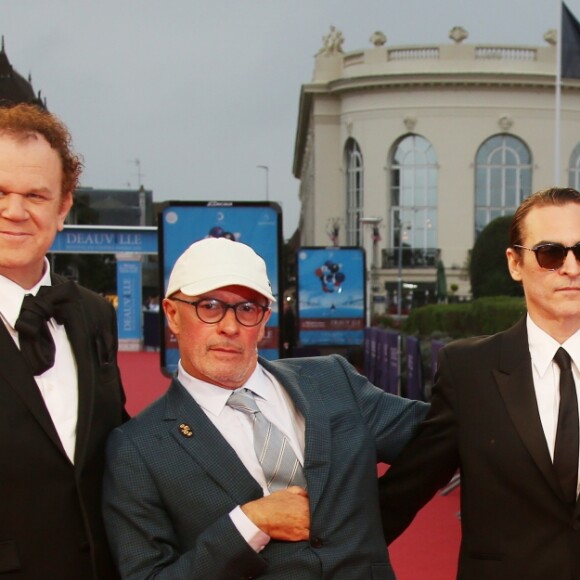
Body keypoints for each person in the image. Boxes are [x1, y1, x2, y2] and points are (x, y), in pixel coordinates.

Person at [102, 236, 429, 579]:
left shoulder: (333, 379)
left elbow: (437, 432)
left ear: (264, 320)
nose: (229, 327)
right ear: (172, 314)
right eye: (209, 306)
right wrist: (249, 525)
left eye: (246, 309)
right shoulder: (136, 448)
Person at [379, 186, 580, 579]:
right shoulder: (468, 370)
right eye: (551, 253)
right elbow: (403, 493)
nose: (571, 268)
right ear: (515, 263)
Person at [0, 103, 127, 579]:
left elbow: (114, 442)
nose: (15, 211)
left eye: (35, 195)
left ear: (63, 205)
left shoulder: (93, 313)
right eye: (0, 191)